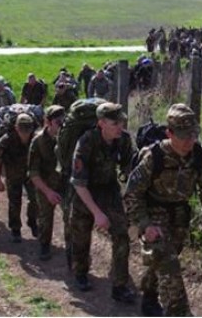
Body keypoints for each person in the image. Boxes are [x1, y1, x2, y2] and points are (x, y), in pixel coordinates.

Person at [124, 103, 202, 317]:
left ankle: (149, 298)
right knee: (169, 265)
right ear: (169, 133)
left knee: (161, 262)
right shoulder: (154, 157)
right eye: (184, 136)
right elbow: (132, 193)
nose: (190, 141)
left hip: (180, 217)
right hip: (153, 214)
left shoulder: (199, 156)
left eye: (193, 135)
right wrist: (145, 225)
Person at [70, 102, 136, 303]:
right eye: (115, 123)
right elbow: (79, 183)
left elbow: (128, 167)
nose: (120, 127)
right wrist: (97, 213)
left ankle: (119, 285)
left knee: (122, 235)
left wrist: (128, 176)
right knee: (81, 238)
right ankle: (81, 273)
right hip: (85, 193)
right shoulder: (86, 142)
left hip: (109, 191)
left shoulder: (123, 140)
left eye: (122, 122)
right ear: (101, 124)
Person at [0, 113, 39, 243]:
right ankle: (15, 228)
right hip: (13, 175)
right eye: (22, 129)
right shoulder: (6, 140)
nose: (25, 132)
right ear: (16, 128)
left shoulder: (36, 138)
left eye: (28, 129)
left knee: (35, 199)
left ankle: (33, 222)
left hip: (31, 175)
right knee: (14, 202)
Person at [28, 105, 66, 260]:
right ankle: (44, 245)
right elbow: (33, 172)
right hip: (45, 184)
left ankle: (72, 249)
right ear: (48, 122)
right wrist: (48, 191)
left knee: (72, 217)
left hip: (65, 183)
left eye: (64, 122)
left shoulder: (68, 139)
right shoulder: (38, 142)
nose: (62, 125)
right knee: (45, 216)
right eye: (58, 122)